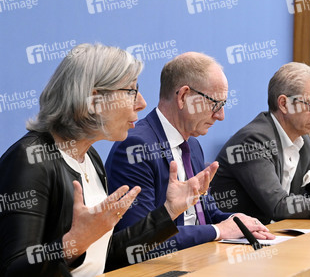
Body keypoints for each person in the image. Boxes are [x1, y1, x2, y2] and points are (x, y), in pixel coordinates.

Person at [0, 44, 214, 277]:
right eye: (131, 91)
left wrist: (170, 211)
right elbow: (14, 269)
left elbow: (105, 256)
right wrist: (73, 242)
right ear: (94, 99)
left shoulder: (89, 156)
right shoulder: (30, 160)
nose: (141, 102)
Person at [106, 52, 273, 257]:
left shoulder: (192, 145)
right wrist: (219, 230)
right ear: (184, 96)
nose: (220, 116)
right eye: (216, 104)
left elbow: (205, 215)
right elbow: (139, 238)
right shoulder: (136, 147)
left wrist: (237, 221)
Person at [209, 62, 310, 225]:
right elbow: (278, 205)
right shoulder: (252, 141)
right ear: (284, 104)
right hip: (237, 244)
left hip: (276, 236)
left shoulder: (302, 140)